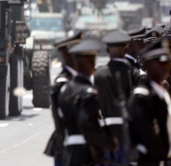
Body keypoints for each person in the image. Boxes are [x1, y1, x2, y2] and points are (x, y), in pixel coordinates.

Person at [57, 38, 116, 166]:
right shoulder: (88, 92)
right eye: (92, 62)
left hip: (69, 151)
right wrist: (107, 142)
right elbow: (86, 124)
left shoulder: (65, 90)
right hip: (84, 153)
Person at [93, 30, 134, 164]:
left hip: (107, 132)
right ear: (126, 48)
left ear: (107, 50)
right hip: (130, 131)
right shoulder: (133, 72)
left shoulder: (99, 74)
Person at [127, 41, 171, 165]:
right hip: (146, 159)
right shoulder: (141, 96)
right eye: (159, 63)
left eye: (167, 62)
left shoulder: (159, 94)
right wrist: (164, 158)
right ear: (146, 64)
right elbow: (147, 135)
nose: (165, 67)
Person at [44, 32, 82, 166]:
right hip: (67, 141)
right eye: (78, 53)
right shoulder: (63, 82)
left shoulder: (77, 78)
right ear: (67, 55)